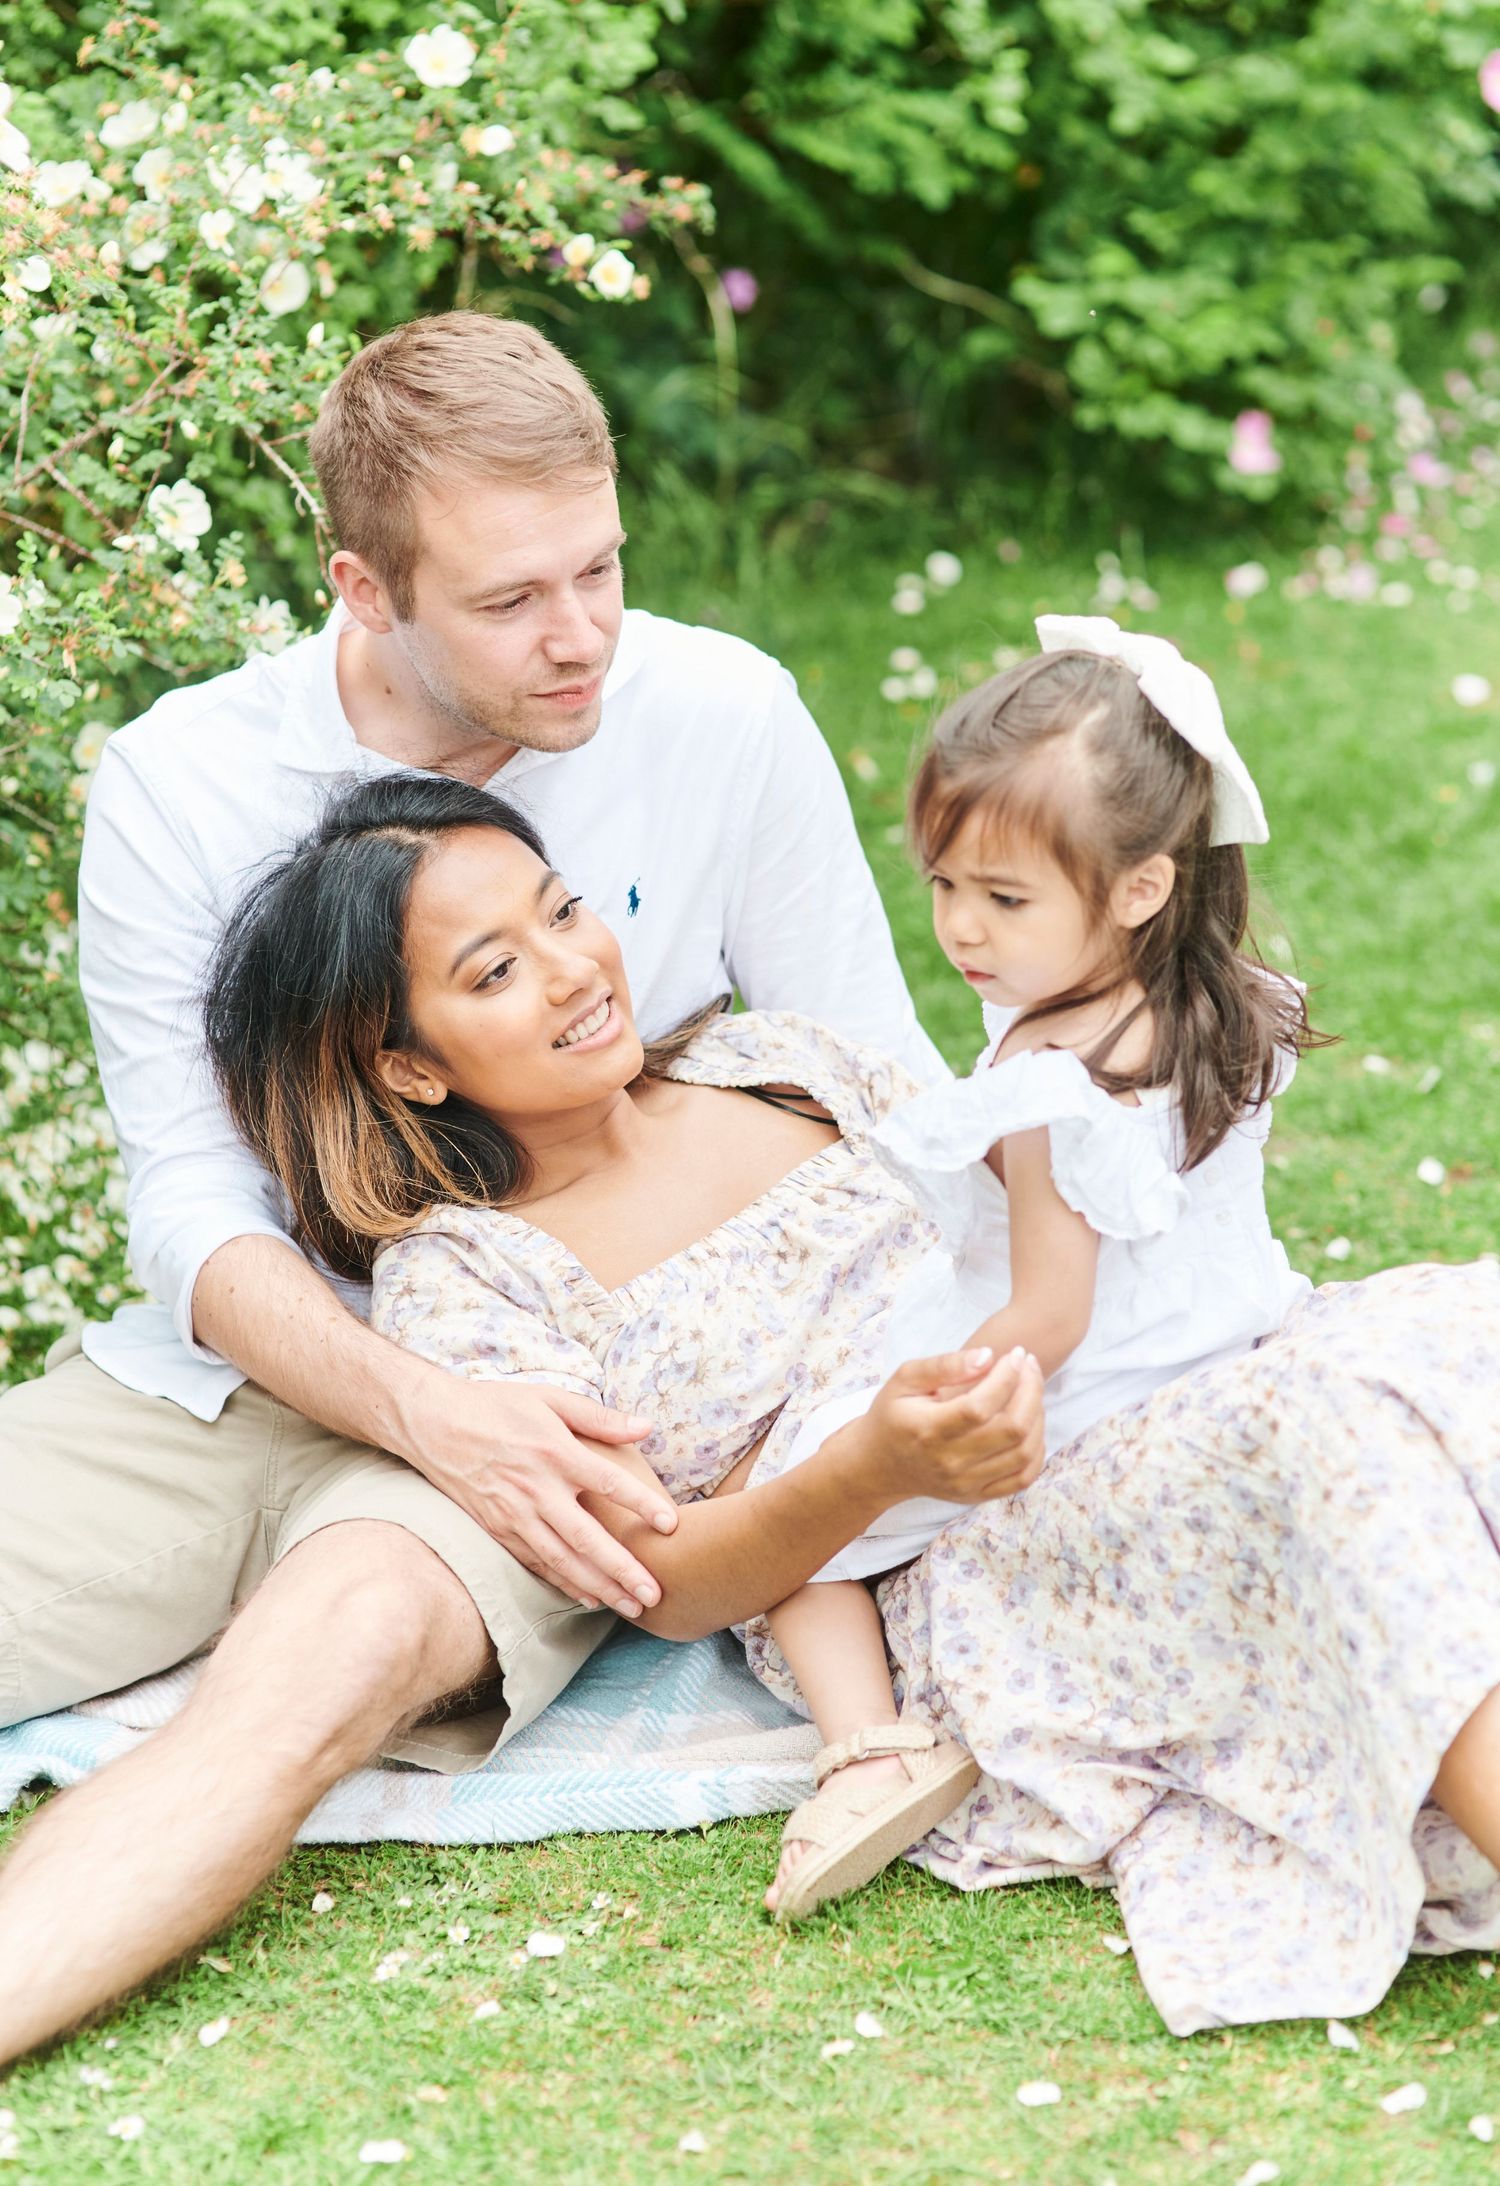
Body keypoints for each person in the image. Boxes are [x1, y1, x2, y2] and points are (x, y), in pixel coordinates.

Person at [0, 312, 948, 2064]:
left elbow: (874, 1079)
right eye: (513, 601)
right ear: (365, 587)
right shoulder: (185, 779)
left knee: (286, 1703)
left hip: (560, 1397)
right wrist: (419, 1403)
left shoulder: (720, 712)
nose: (581, 635)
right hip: (253, 1363)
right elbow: (192, 1201)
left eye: (600, 568)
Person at [199, 773, 1500, 2036]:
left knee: (1447, 1334)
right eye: (493, 971)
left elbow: (1028, 1183)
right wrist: (877, 1463)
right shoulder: (472, 1276)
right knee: (1332, 1443)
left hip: (1121, 1365)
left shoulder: (770, 1061)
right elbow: (659, 1577)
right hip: (957, 1540)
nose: (573, 967)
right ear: (410, 1067)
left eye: (562, 908)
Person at [754, 614, 1329, 1916]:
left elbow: (1050, 1314)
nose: (960, 926)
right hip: (1230, 1335)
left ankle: (865, 1749)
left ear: (1137, 886)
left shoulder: (1040, 1079)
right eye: (945, 883)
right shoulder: (1219, 992)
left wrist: (912, 1419)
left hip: (1091, 1384)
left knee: (794, 1500)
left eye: (1003, 897)